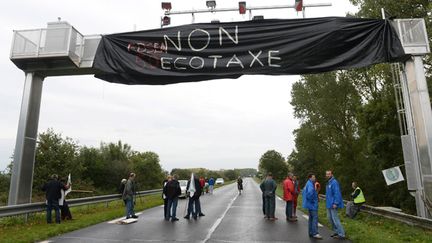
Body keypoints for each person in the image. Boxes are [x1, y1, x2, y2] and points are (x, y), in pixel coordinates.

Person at [325, 170, 345, 239]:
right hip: (329, 204)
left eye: (329, 174)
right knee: (330, 218)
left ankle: (341, 234)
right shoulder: (328, 182)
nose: (327, 175)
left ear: (331, 174)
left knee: (335, 219)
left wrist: (335, 203)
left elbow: (337, 193)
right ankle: (336, 232)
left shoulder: (334, 182)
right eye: (327, 174)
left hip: (333, 204)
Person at [302, 173, 322, 239]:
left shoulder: (307, 184)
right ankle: (315, 233)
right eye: (313, 177)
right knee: (314, 219)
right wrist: (315, 198)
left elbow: (304, 193)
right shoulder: (310, 184)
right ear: (310, 178)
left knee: (311, 219)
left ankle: (311, 232)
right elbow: (310, 194)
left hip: (309, 204)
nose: (314, 178)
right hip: (313, 204)